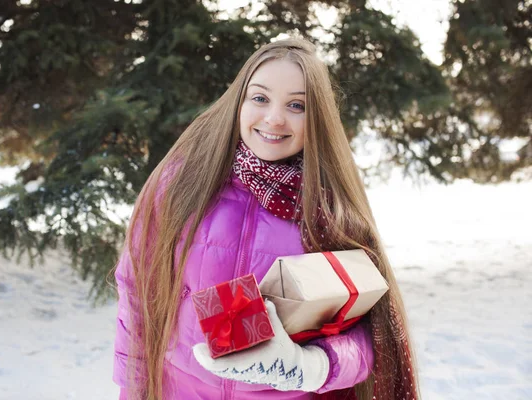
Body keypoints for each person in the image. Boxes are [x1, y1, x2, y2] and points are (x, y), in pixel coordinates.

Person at [112, 38, 420, 400]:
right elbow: (136, 292)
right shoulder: (183, 182)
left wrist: (311, 366)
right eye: (260, 98)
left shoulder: (329, 209)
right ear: (238, 102)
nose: (274, 118)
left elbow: (372, 338)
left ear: (318, 116)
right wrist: (133, 390)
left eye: (296, 105)